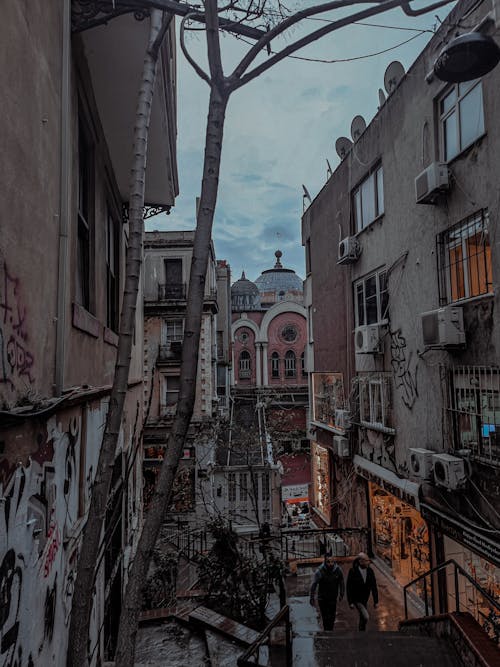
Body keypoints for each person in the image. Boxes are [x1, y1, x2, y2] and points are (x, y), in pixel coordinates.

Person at [309, 555, 345, 631]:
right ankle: (327, 632)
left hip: (332, 597)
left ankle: (330, 631)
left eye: (332, 561)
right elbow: (314, 584)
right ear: (325, 562)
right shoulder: (320, 571)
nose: (330, 564)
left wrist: (341, 593)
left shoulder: (338, 570)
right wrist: (312, 597)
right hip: (323, 598)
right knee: (325, 617)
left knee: (332, 617)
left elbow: (341, 581)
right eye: (328, 562)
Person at [346, 552, 379, 631]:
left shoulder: (370, 571)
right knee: (366, 616)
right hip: (356, 599)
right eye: (366, 560)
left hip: (364, 599)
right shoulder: (353, 571)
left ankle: (361, 633)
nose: (368, 562)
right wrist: (350, 602)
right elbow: (349, 587)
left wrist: (376, 601)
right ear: (360, 561)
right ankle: (361, 632)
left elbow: (373, 586)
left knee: (362, 617)